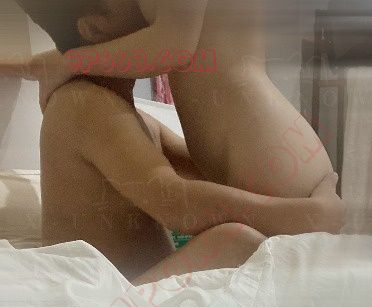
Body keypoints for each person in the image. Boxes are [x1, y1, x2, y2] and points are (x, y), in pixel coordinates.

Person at [5, 1, 344, 283]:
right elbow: (177, 204)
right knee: (234, 241)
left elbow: (195, 177)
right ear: (95, 29)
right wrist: (305, 214)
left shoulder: (133, 118)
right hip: (104, 288)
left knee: (234, 239)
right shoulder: (86, 104)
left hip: (136, 280)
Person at [25, 0, 335, 198]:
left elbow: (173, 46)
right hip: (263, 148)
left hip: (264, 151)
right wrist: (47, 64)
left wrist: (70, 62)